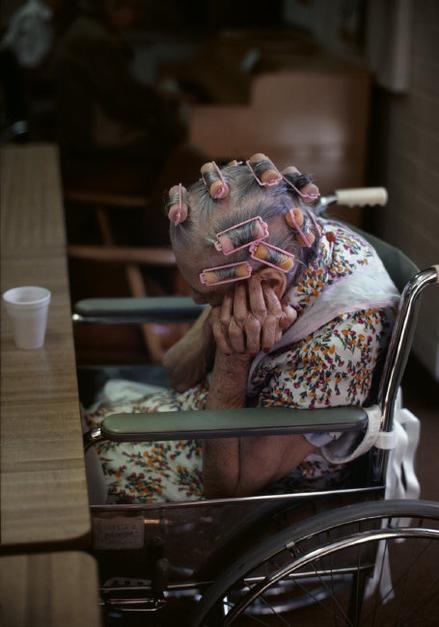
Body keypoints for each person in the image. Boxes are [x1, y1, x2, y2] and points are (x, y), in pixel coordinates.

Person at [84, 153, 400, 503]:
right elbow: (177, 373)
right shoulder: (292, 241)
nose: (196, 299)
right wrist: (217, 320)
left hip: (245, 488)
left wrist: (233, 360)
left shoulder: (338, 347)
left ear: (270, 284)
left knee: (85, 491)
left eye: (206, 293)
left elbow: (227, 491)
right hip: (195, 417)